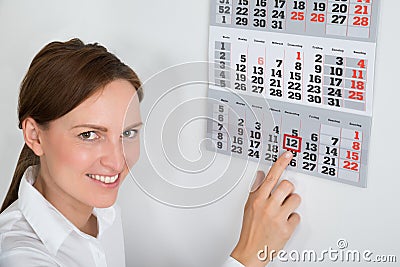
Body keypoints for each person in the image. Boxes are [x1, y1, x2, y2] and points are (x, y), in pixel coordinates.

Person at [0, 38, 301, 267]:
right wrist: (248, 255)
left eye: (128, 133)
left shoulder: (101, 212)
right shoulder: (20, 256)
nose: (117, 161)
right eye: (89, 135)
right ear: (34, 135)